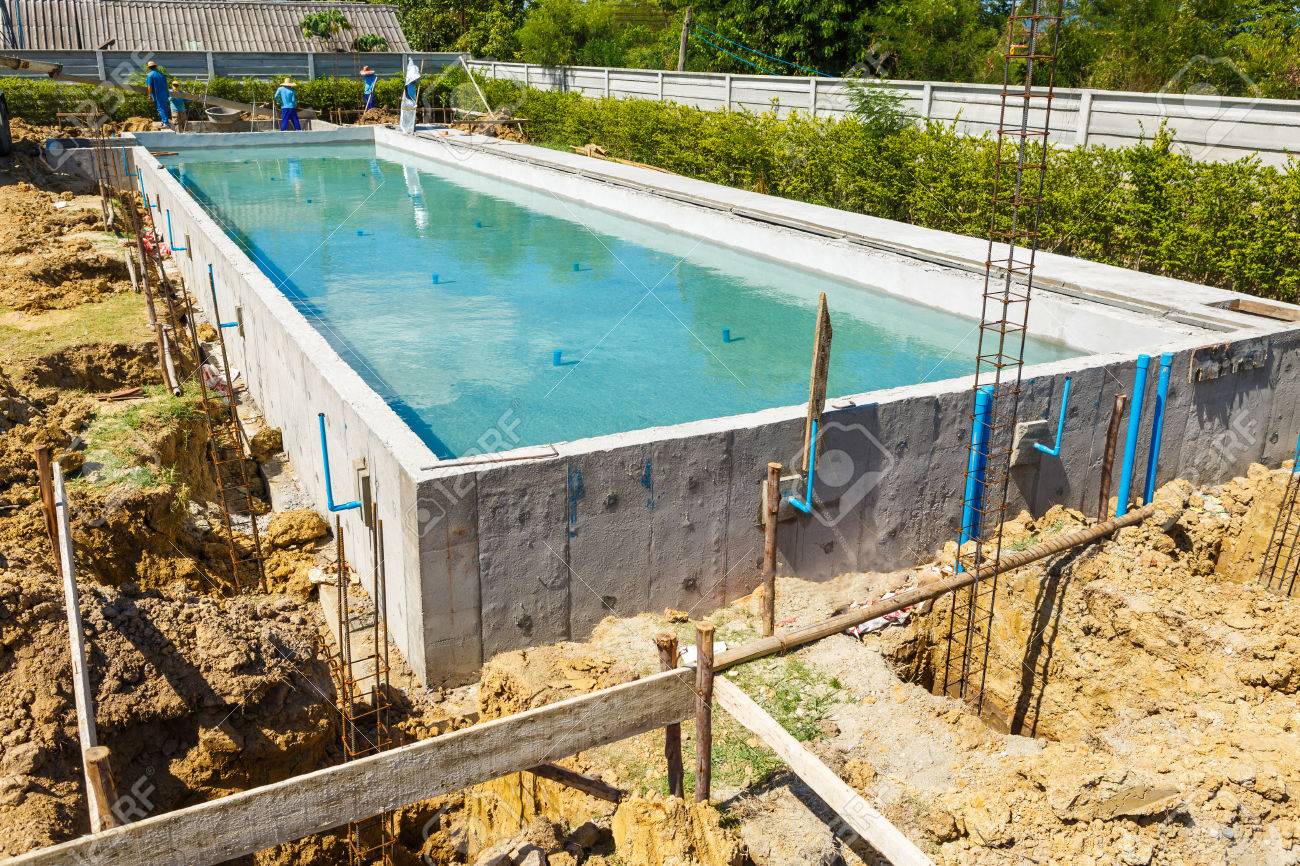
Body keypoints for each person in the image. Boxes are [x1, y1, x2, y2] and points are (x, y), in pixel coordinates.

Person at [145, 60, 171, 126]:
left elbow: (149, 86)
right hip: (165, 94)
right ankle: (164, 121)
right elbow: (166, 85)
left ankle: (166, 123)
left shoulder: (150, 75)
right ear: (155, 67)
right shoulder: (161, 75)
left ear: (149, 68)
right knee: (164, 108)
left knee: (160, 108)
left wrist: (149, 95)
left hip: (158, 95)